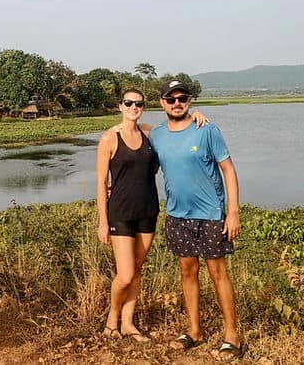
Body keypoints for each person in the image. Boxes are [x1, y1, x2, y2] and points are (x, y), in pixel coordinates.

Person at [96, 88, 208, 342]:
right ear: (121, 106)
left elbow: (176, 130)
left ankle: (128, 323)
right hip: (120, 213)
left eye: (138, 104)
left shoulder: (150, 134)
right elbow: (101, 182)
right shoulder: (110, 138)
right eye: (129, 103)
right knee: (124, 274)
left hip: (148, 210)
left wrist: (196, 116)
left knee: (136, 270)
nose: (134, 107)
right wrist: (103, 222)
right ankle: (112, 319)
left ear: (144, 107)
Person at [148, 80, 244, 361]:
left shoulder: (207, 130)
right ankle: (194, 330)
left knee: (218, 274)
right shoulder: (157, 135)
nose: (177, 103)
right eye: (171, 99)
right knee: (187, 273)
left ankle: (231, 336)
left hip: (211, 215)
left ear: (189, 101)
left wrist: (234, 211)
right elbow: (138, 146)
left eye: (182, 98)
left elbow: (228, 170)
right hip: (177, 216)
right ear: (162, 102)